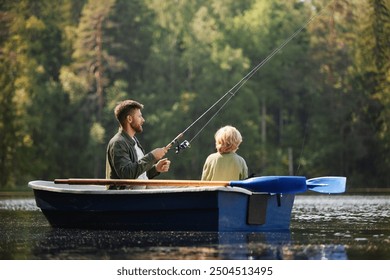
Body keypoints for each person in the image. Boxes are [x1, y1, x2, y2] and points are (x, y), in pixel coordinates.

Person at [106, 100, 171, 189]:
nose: (143, 120)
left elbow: (138, 174)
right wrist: (152, 157)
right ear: (129, 119)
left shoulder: (134, 141)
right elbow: (127, 175)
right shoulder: (118, 143)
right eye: (139, 116)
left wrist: (156, 169)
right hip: (125, 199)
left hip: (139, 197)